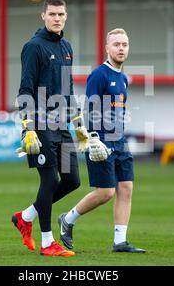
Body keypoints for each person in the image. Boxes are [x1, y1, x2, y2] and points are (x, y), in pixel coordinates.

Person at [12, 0, 90, 257]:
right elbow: (25, 88)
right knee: (50, 179)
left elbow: (67, 89)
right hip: (40, 124)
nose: (57, 18)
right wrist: (27, 126)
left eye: (61, 14)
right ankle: (47, 243)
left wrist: (77, 121)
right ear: (43, 16)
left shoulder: (67, 47)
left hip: (61, 125)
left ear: (66, 17)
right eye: (52, 14)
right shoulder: (33, 47)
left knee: (72, 180)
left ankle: (25, 216)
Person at [58, 28, 146, 253]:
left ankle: (120, 242)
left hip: (120, 142)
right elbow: (89, 109)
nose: (121, 48)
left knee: (126, 188)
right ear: (107, 48)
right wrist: (92, 139)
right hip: (101, 142)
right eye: (116, 44)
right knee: (106, 192)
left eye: (124, 44)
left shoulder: (123, 77)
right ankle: (67, 219)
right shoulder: (99, 75)